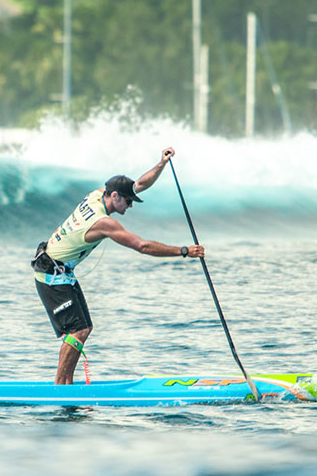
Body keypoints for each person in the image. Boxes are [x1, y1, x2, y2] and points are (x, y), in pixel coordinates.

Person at [32, 147, 204, 385]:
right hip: (51, 276)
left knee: (84, 328)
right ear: (114, 196)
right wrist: (184, 251)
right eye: (128, 201)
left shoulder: (97, 194)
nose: (131, 205)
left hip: (60, 271)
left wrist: (161, 164)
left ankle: (65, 384)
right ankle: (61, 386)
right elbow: (142, 246)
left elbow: (139, 185)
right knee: (78, 331)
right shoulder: (104, 223)